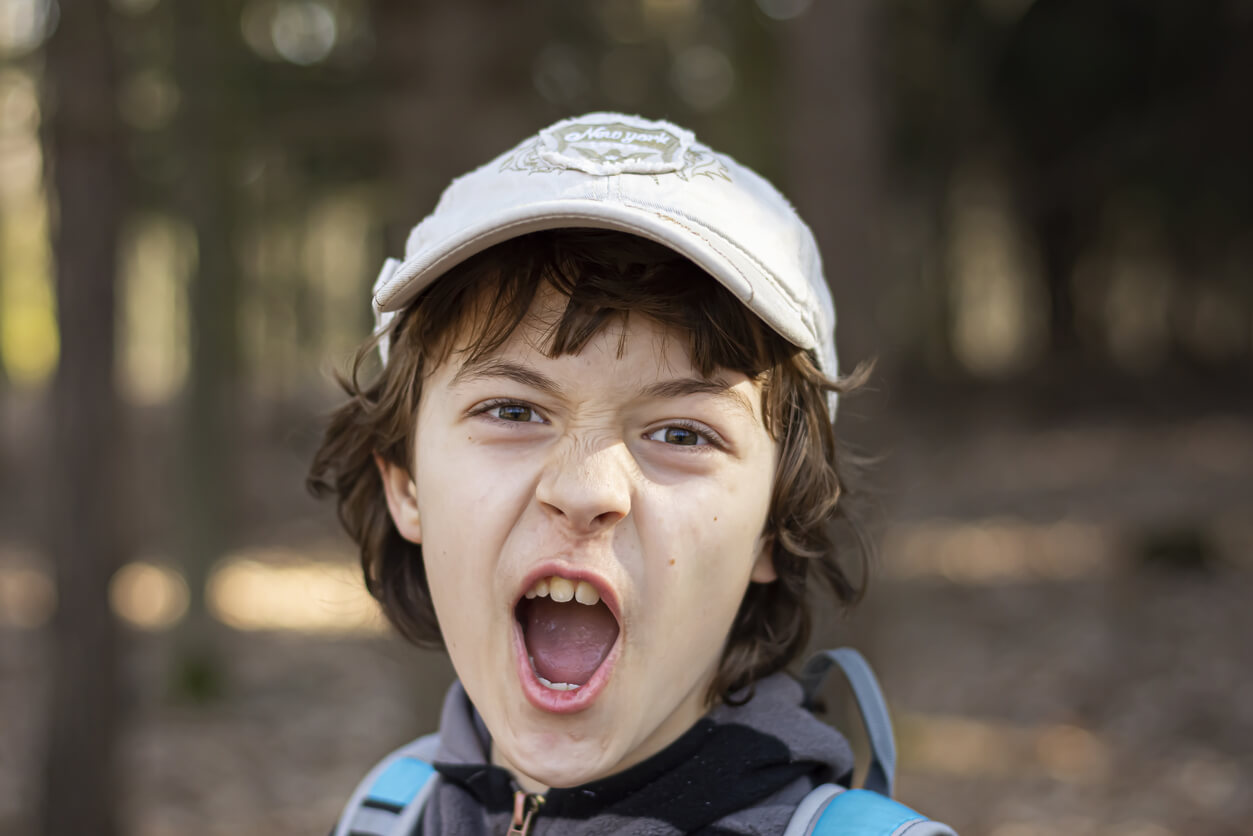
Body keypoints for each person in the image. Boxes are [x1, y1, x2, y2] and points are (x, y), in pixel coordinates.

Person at [309, 112, 954, 835]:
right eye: (514, 412)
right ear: (406, 485)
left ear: (776, 526)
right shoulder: (384, 815)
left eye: (681, 433)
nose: (584, 492)